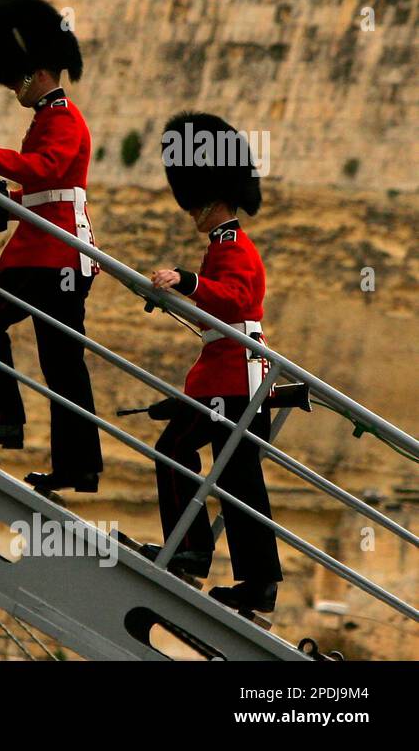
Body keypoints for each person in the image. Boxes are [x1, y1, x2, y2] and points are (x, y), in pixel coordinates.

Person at [0, 0, 103, 494]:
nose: (11, 86)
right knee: (60, 365)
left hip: (55, 255)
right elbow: (41, 189)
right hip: (40, 249)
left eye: (15, 77)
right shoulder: (47, 117)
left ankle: (6, 422)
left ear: (35, 71)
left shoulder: (62, 117)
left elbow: (48, 170)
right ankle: (72, 464)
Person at [142, 111, 282, 614]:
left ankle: (193, 550)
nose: (191, 211)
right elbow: (216, 315)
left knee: (183, 453)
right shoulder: (222, 245)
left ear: (215, 199)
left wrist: (186, 280)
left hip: (236, 381)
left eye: (196, 202)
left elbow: (233, 300)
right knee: (236, 479)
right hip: (228, 377)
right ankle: (253, 580)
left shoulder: (234, 247)